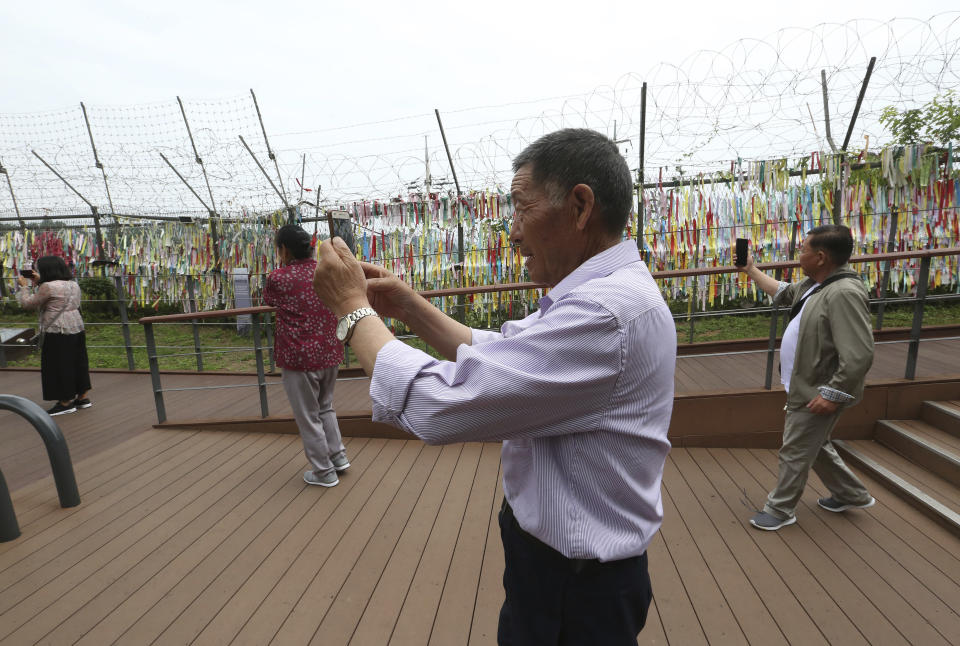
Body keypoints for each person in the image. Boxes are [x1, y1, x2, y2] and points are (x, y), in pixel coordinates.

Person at [312, 128, 676, 645]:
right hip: (565, 574)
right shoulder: (610, 295)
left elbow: (436, 405)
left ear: (579, 205)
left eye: (521, 209)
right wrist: (410, 307)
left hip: (574, 589)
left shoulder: (604, 314)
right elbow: (501, 353)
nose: (513, 232)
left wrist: (353, 314)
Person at [739, 224, 876, 531]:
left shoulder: (843, 293)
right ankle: (850, 493)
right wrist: (751, 270)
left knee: (795, 448)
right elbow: (782, 292)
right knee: (813, 444)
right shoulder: (817, 285)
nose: (798, 254)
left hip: (818, 390)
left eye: (802, 250)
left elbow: (859, 354)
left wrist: (833, 393)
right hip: (804, 386)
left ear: (821, 256)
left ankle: (780, 509)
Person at [263, 224, 350, 488]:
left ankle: (323, 472)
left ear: (285, 249)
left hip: (299, 358)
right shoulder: (327, 271)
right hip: (330, 351)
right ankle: (338, 457)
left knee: (308, 415)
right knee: (326, 407)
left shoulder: (278, 278)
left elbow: (269, 300)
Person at [16, 255, 92, 416]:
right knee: (78, 361)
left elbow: (28, 304)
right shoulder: (73, 284)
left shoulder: (48, 286)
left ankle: (65, 402)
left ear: (46, 270)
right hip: (77, 326)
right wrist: (40, 281)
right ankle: (82, 397)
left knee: (58, 364)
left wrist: (24, 287)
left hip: (57, 329)